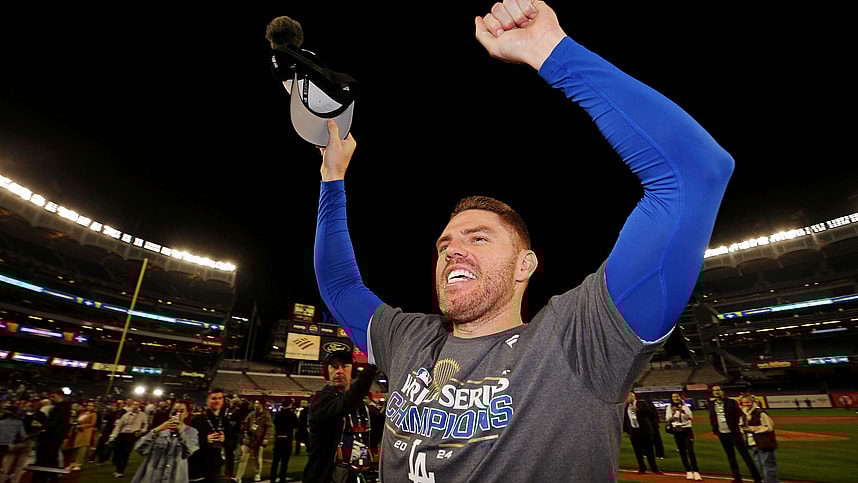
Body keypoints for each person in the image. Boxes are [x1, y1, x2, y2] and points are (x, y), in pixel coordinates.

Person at [308, 0, 733, 480]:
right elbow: (339, 284)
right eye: (445, 243)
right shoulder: (408, 339)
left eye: (479, 237)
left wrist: (553, 53)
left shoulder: (580, 341)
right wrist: (332, 177)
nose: (452, 249)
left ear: (525, 264)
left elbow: (694, 173)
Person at [301, 350, 378, 483]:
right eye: (334, 366)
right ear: (327, 372)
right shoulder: (321, 399)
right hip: (325, 477)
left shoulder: (361, 407)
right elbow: (345, 403)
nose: (339, 371)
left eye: (345, 366)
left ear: (352, 371)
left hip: (355, 474)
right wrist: (370, 369)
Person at [130, 400, 200, 483]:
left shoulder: (191, 432)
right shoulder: (160, 430)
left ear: (187, 414)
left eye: (181, 411)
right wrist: (157, 430)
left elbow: (189, 451)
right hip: (152, 476)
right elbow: (139, 448)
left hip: (175, 477)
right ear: (170, 413)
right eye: (175, 411)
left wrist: (180, 433)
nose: (178, 414)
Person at [709, 385, 762, 483]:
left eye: (718, 390)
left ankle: (757, 479)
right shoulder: (711, 403)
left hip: (734, 433)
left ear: (722, 391)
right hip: (722, 434)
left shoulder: (731, 402)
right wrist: (715, 429)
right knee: (731, 457)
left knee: (745, 456)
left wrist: (740, 427)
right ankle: (737, 478)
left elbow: (739, 415)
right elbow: (712, 417)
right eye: (714, 390)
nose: (716, 392)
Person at [189, 388, 234, 483]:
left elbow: (233, 444)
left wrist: (224, 440)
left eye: (220, 398)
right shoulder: (196, 420)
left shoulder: (225, 421)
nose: (217, 401)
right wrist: (205, 439)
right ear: (207, 401)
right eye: (214, 398)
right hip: (197, 466)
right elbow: (188, 443)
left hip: (216, 466)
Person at [739, 395, 779, 483]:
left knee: (768, 466)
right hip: (752, 443)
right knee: (761, 465)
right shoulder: (744, 415)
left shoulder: (761, 413)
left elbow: (769, 427)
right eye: (744, 402)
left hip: (764, 443)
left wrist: (751, 429)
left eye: (748, 402)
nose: (746, 404)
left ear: (753, 402)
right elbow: (742, 427)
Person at [623, 392, 663, 475]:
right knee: (638, 451)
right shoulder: (625, 407)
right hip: (634, 431)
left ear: (633, 397)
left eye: (629, 397)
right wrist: (627, 431)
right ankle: (642, 467)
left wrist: (638, 408)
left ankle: (654, 468)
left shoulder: (641, 403)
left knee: (649, 451)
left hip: (644, 430)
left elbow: (651, 412)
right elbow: (625, 420)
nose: (628, 399)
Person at [666, 393, 702, 481]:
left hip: (687, 429)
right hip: (677, 430)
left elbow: (691, 418)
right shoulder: (669, 407)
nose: (675, 398)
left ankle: (696, 471)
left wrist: (683, 412)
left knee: (690, 451)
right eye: (674, 397)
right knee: (682, 451)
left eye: (677, 396)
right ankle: (688, 470)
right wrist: (673, 414)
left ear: (680, 397)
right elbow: (667, 419)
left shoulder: (685, 406)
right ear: (671, 398)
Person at [235, 399, 273, 483]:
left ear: (262, 405)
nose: (255, 405)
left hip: (259, 439)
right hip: (249, 438)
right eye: (255, 403)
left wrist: (266, 438)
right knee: (243, 458)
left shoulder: (266, 415)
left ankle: (257, 473)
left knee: (258, 458)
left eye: (257, 403)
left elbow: (269, 427)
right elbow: (245, 423)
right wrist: (244, 428)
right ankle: (238, 477)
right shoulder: (251, 414)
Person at [109, 399, 148, 478]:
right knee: (119, 452)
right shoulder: (125, 415)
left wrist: (142, 431)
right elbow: (119, 426)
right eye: (134, 404)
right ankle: (118, 468)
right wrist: (113, 436)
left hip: (132, 435)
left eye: (137, 404)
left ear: (139, 406)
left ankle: (120, 471)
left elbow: (146, 424)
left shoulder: (142, 415)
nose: (135, 406)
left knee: (126, 453)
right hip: (122, 434)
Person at [270, 401, 298, 483]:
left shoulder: (278, 414)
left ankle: (272, 478)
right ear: (290, 405)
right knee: (284, 462)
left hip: (278, 438)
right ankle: (282, 478)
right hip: (287, 439)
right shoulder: (292, 415)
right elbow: (296, 425)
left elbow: (275, 424)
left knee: (275, 461)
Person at [0, 403, 28, 483]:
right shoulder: (18, 423)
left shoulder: (1, 422)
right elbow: (23, 436)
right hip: (9, 447)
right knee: (6, 466)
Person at [67, 401, 97, 471]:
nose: (89, 407)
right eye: (88, 405)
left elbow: (92, 424)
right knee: (75, 448)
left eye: (91, 406)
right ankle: (72, 463)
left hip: (85, 432)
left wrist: (81, 426)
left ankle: (78, 464)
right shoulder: (83, 413)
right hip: (77, 431)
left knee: (81, 448)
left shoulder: (94, 414)